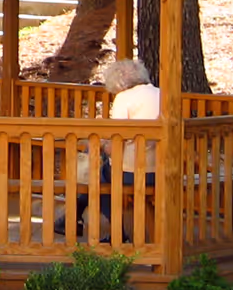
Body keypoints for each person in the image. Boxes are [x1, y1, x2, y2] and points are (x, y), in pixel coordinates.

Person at [59, 58, 162, 240]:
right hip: (162, 169)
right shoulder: (161, 93)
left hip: (134, 172)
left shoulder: (125, 98)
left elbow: (115, 144)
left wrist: (99, 142)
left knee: (97, 178)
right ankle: (71, 217)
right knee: (101, 171)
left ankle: (117, 232)